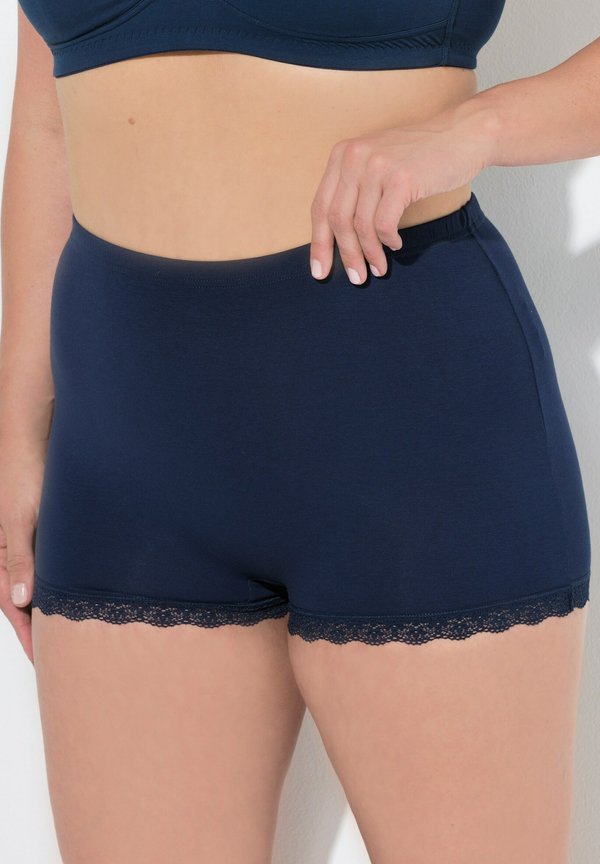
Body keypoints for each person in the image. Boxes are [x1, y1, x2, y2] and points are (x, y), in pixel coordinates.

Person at [0, 0, 595, 860]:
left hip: (409, 428)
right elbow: (46, 119)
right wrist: (17, 432)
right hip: (122, 449)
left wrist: (481, 125)